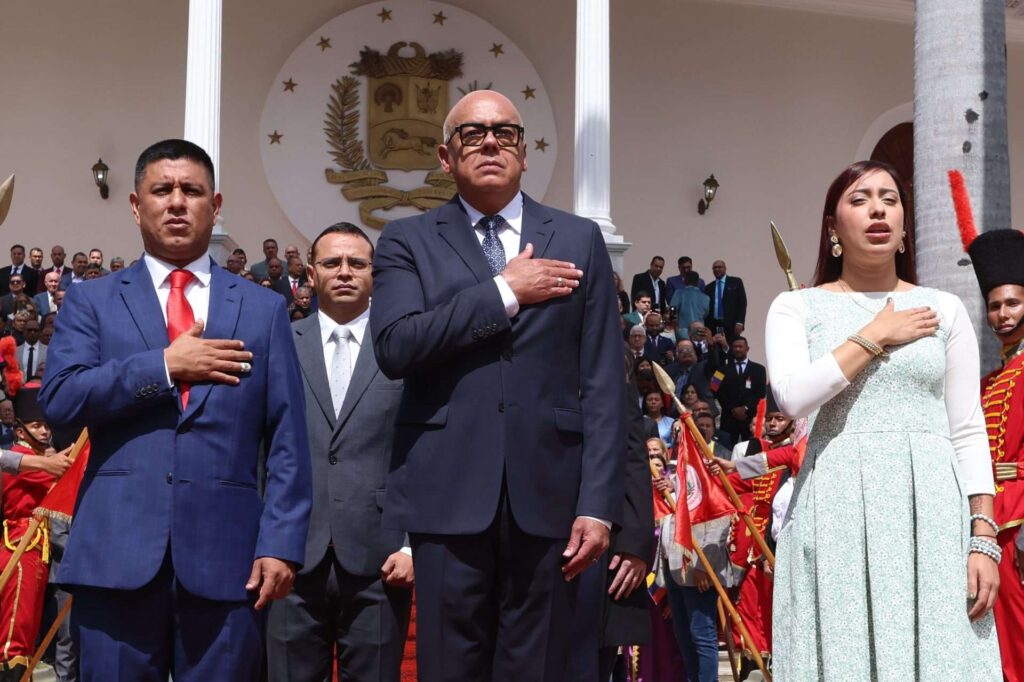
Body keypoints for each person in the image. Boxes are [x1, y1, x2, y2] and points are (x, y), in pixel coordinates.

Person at [369, 90, 624, 681]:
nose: (490, 142)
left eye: (505, 133)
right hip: (447, 494)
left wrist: (599, 504)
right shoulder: (407, 240)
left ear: (525, 153)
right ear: (444, 155)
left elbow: (605, 381)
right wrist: (505, 292)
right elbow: (396, 347)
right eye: (473, 133)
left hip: (550, 497)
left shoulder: (578, 237)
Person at [39, 138, 312, 680]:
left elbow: (286, 439)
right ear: (137, 205)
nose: (178, 201)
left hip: (230, 562)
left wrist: (280, 544)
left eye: (192, 190)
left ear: (216, 204)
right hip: (115, 557)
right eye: (162, 190)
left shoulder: (262, 308)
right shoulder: (93, 301)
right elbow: (61, 403)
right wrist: (163, 366)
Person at [764, 159, 1001, 678]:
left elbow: (966, 427)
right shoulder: (795, 307)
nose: (878, 209)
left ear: (903, 227)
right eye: (860, 198)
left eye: (890, 199)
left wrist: (983, 537)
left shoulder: (943, 309)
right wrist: (875, 335)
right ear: (833, 227)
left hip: (932, 515)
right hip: (837, 508)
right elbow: (792, 397)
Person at [267, 223, 413, 681]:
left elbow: (423, 451)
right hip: (290, 559)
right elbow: (259, 448)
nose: (345, 272)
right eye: (332, 263)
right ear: (311, 274)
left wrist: (412, 545)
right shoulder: (279, 345)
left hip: (380, 559)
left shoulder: (407, 350)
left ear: (377, 274)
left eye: (357, 263)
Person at [963, 228, 1024, 680]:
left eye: (1013, 303)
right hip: (991, 522)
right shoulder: (987, 382)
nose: (1002, 314)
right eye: (994, 305)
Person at [0, 382, 71, 680]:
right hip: (21, 544)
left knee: (27, 632)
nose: (43, 431)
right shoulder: (22, 457)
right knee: (15, 629)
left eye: (46, 425)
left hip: (38, 549)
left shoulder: (42, 460)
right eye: (35, 425)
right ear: (19, 431)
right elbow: (63, 480)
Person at [712, 336, 767, 445]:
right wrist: (732, 408)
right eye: (735, 347)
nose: (737, 349)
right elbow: (714, 389)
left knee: (750, 450)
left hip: (750, 418)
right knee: (726, 450)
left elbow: (761, 393)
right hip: (728, 418)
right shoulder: (720, 370)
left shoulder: (760, 369)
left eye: (740, 346)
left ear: (747, 349)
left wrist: (746, 408)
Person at [704, 260, 746, 343]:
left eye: (719, 267)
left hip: (731, 324)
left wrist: (740, 322)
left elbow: (742, 303)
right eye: (714, 268)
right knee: (716, 350)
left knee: (731, 348)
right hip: (714, 325)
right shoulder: (708, 287)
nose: (717, 269)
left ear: (725, 268)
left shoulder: (736, 282)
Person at [670, 271, 710, 335]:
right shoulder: (706, 298)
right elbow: (706, 314)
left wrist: (674, 325)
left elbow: (672, 310)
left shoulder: (679, 293)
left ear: (685, 280)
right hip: (700, 331)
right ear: (698, 281)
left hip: (683, 332)